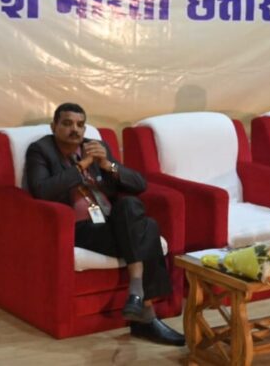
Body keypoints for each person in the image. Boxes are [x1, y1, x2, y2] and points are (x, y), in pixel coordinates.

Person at [24, 103, 185, 346]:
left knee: (130, 205)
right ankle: (145, 313)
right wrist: (82, 165)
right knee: (149, 228)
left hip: (111, 222)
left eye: (80, 124)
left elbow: (139, 184)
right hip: (79, 228)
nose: (75, 129)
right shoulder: (41, 150)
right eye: (67, 123)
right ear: (53, 126)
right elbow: (42, 190)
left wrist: (108, 165)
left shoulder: (97, 147)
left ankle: (137, 295)